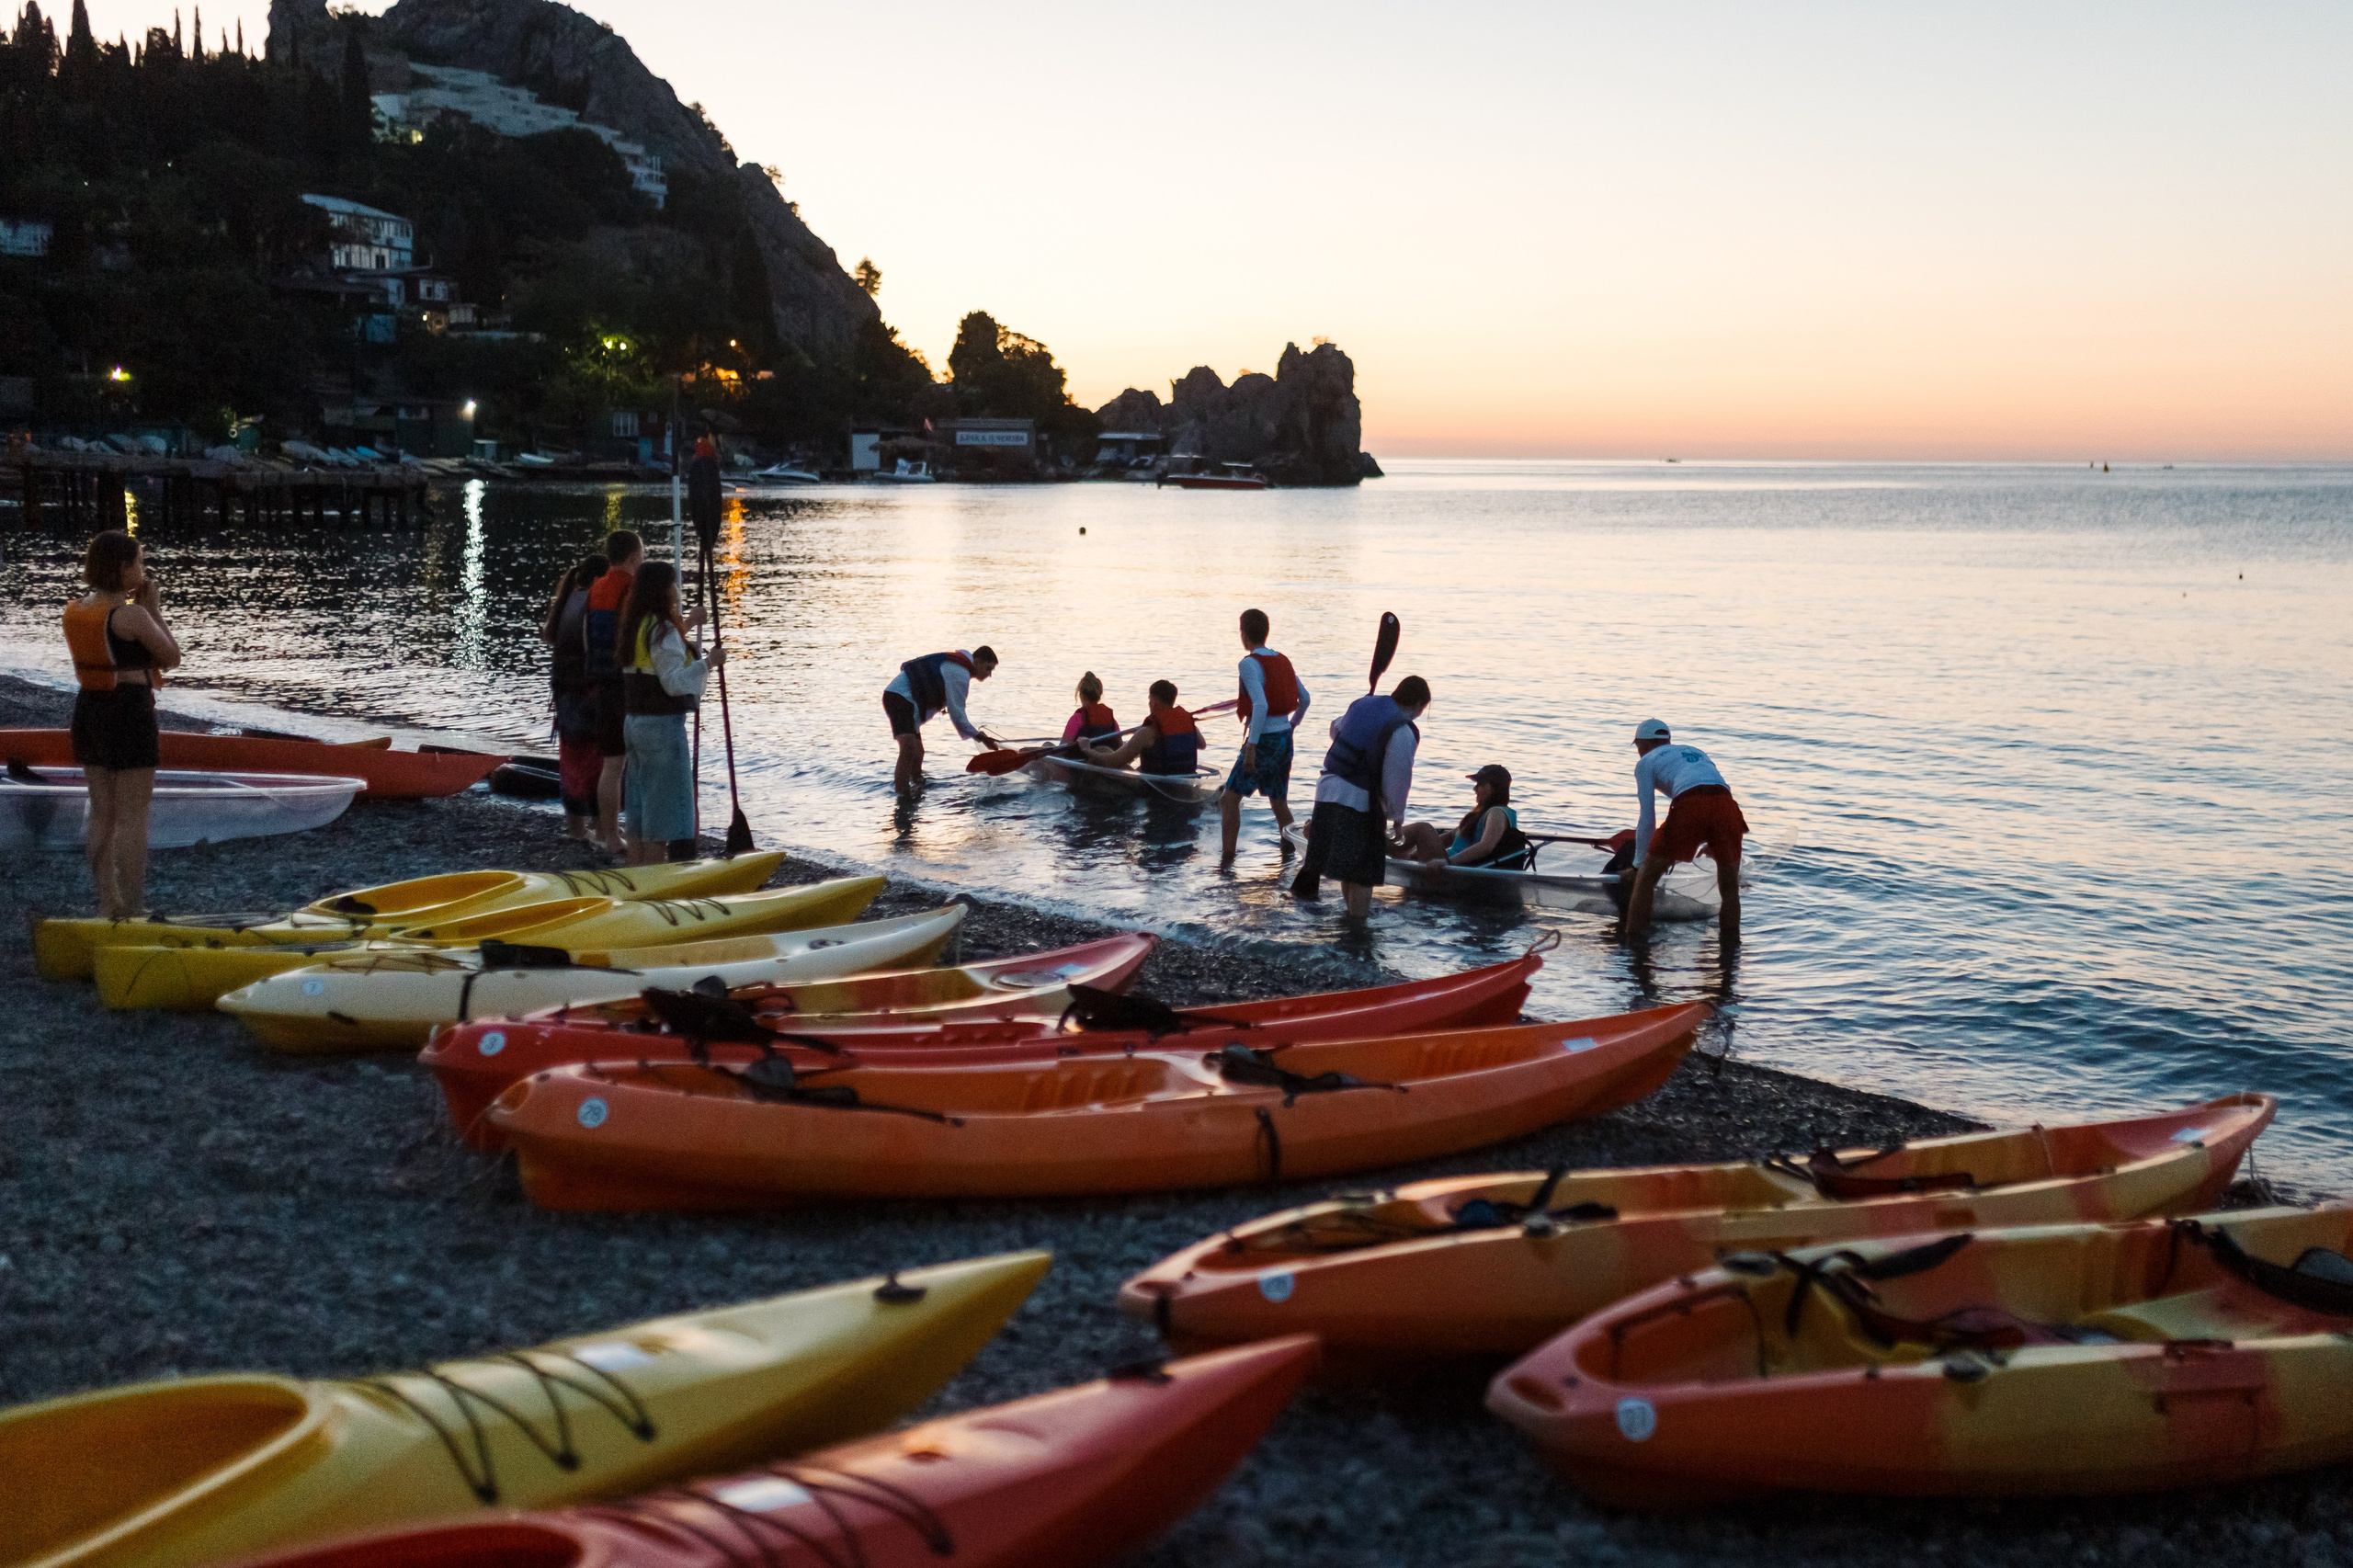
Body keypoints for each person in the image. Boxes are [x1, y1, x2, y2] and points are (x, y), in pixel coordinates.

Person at [62, 529, 181, 917]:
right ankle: (132, 906)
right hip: (128, 711)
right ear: (123, 569)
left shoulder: (78, 608)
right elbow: (171, 657)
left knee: (101, 811)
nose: (143, 569)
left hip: (90, 709)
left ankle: (106, 902)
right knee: (132, 816)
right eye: (139, 563)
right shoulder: (131, 614)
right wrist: (155, 609)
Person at [1290, 676, 1429, 918]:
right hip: (1358, 800)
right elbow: (1397, 777)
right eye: (1422, 708)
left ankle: (1351, 922)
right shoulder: (1403, 729)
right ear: (1417, 703)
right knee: (1362, 871)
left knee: (1347, 868)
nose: (1420, 714)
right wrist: (1396, 817)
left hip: (1326, 790)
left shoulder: (1362, 704)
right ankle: (1358, 931)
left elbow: (1336, 729)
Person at [618, 560, 722, 865]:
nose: (677, 589)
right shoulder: (662, 630)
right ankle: (653, 880)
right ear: (663, 589)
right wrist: (709, 663)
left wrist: (687, 624)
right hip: (661, 728)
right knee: (661, 815)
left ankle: (636, 874)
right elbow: (674, 682)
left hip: (634, 723)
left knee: (639, 808)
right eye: (673, 583)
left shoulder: (636, 625)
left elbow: (659, 660)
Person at [1625, 719, 1747, 937]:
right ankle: (1730, 954)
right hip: (1727, 804)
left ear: (1642, 744)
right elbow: (1711, 793)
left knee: (1646, 878)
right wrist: (1712, 840)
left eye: (1637, 747)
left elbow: (1647, 818)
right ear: (1668, 740)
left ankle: (1633, 946)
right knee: (1729, 889)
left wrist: (1637, 866)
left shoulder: (1646, 762)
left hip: (1691, 804)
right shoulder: (1695, 751)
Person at [1218, 608, 1310, 861]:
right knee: (1278, 801)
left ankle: (1227, 861)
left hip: (1264, 740)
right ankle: (1290, 857)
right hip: (1284, 737)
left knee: (1228, 800)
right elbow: (1305, 699)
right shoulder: (1282, 659)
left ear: (1244, 634)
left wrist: (1251, 746)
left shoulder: (1249, 663)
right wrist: (1292, 726)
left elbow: (1260, 705)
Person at [540, 552, 608, 844]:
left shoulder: (568, 599)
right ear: (600, 579)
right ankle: (600, 828)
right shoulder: (593, 601)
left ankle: (576, 829)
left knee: (571, 760)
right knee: (599, 761)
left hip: (564, 693)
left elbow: (554, 639)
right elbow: (596, 649)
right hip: (586, 692)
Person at [584, 528, 643, 856]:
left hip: (600, 683)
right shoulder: (631, 588)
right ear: (634, 557)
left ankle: (607, 832)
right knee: (623, 765)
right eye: (642, 556)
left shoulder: (596, 588)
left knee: (610, 763)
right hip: (624, 684)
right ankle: (620, 835)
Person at [884, 646, 1002, 792]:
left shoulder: (960, 667)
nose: (989, 674)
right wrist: (981, 738)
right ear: (977, 661)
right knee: (908, 749)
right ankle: (903, 796)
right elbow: (958, 716)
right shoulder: (959, 673)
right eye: (988, 668)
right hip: (899, 697)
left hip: (909, 701)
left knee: (918, 752)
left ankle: (917, 785)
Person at [1394, 763, 1530, 869]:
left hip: (1456, 871)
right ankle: (1385, 845)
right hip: (1449, 866)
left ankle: (1378, 842)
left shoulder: (1497, 813)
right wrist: (1413, 855)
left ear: (1493, 787)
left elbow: (1486, 846)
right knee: (1421, 837)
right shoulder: (1480, 814)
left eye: (1480, 784)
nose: (1475, 789)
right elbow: (1449, 837)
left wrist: (1448, 861)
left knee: (1422, 829)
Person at [1084, 680, 1202, 775]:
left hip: (1154, 786)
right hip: (1184, 780)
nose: (1149, 703)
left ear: (1154, 701)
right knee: (1103, 750)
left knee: (1098, 754)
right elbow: (1202, 745)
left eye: (1149, 699)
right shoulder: (1192, 728)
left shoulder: (1147, 733)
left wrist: (1087, 750)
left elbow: (1113, 761)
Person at [1060, 672, 1119, 746]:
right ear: (1099, 695)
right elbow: (1120, 746)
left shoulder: (1076, 719)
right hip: (1104, 756)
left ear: (1081, 696)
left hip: (1080, 757)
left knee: (1047, 744)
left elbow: (1063, 746)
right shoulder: (1111, 720)